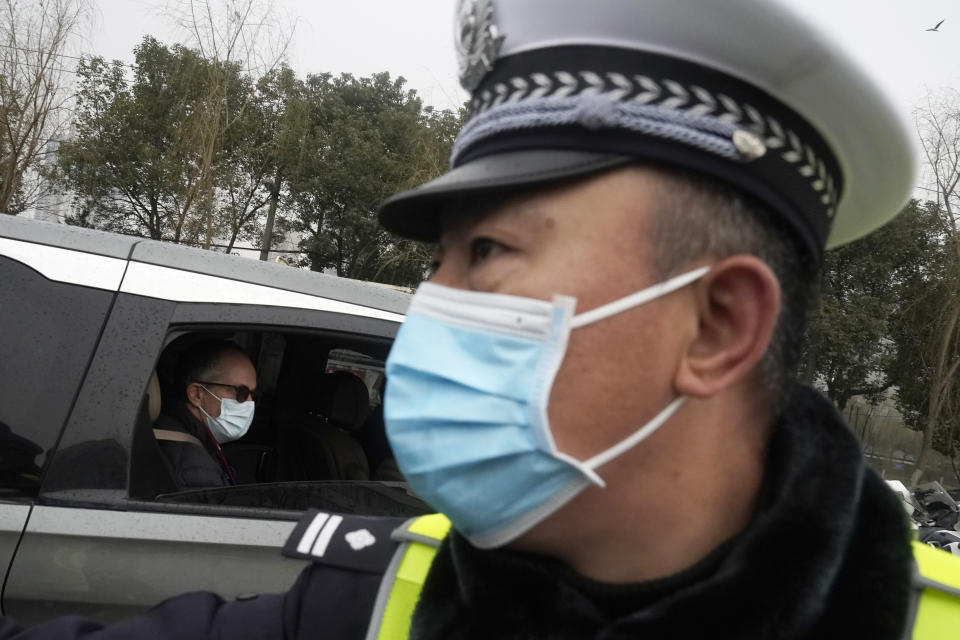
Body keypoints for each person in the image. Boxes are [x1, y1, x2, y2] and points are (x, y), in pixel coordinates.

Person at [2, 1, 960, 638]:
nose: (432, 311)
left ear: (716, 325)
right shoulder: (378, 599)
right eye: (438, 265)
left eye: (489, 253)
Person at [154, 339, 257, 488]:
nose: (250, 402)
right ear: (196, 395)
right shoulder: (195, 472)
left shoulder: (178, 426)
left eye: (252, 393)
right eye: (241, 392)